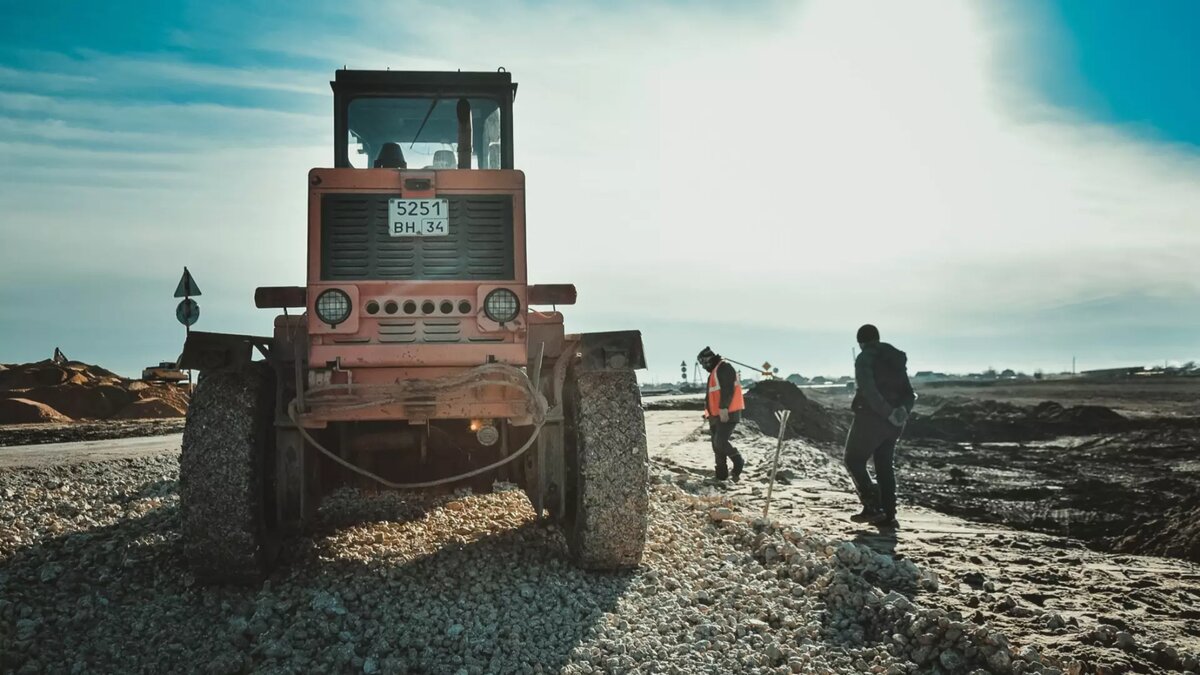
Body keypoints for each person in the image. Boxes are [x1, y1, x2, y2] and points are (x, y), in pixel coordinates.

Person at [844, 324, 916, 528]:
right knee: (884, 465)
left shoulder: (865, 358)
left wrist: (886, 412)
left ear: (861, 342)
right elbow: (909, 393)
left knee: (853, 460)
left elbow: (869, 391)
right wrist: (901, 412)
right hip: (895, 424)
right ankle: (888, 515)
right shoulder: (896, 358)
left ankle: (873, 507)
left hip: (871, 418)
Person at [698, 346, 746, 482]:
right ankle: (721, 475)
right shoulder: (715, 371)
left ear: (708, 360)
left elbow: (727, 390)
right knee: (716, 445)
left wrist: (724, 408)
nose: (703, 367)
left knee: (720, 442)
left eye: (703, 363)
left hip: (728, 412)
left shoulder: (724, 367)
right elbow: (712, 395)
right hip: (714, 415)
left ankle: (738, 461)